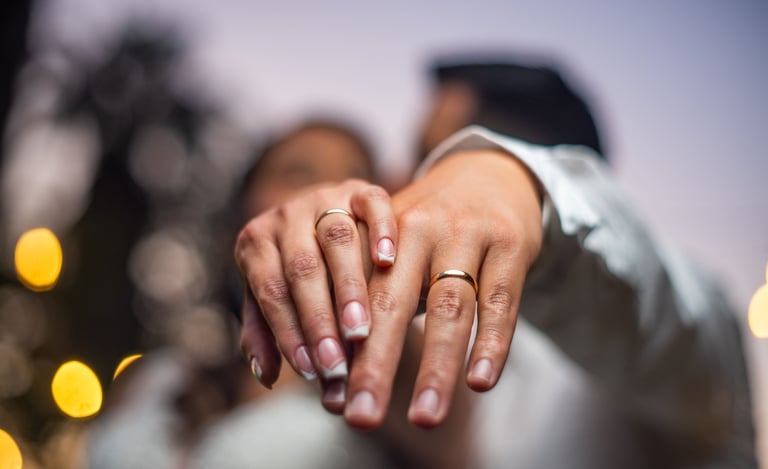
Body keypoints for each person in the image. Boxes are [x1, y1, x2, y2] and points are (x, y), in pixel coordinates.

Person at [233, 59, 757, 468]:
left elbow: (663, 306)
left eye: (432, 157)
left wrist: (513, 181)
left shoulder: (655, 336)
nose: (393, 182)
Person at [86, 117, 382, 468]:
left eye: (353, 181)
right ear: (243, 214)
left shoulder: (390, 389)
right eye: (297, 174)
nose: (325, 193)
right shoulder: (160, 378)